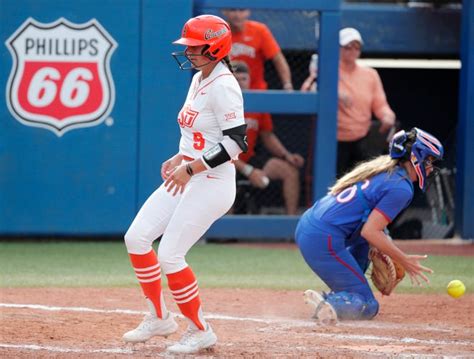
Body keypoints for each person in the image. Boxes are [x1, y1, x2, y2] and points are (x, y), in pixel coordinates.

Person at [122, 15, 247, 354]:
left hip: (213, 183)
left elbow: (236, 143)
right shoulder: (199, 78)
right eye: (188, 47)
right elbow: (199, 134)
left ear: (215, 46)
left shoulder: (223, 85)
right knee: (136, 238)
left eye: (194, 47)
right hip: (189, 174)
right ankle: (160, 318)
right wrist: (180, 157)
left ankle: (199, 329)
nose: (189, 52)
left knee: (171, 254)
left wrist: (191, 168)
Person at [295, 127, 443, 322]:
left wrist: (384, 242)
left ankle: (343, 293)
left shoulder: (385, 170)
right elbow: (370, 231)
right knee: (368, 305)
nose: (431, 167)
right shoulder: (401, 187)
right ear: (416, 157)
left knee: (366, 245)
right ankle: (329, 301)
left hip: (312, 225)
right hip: (323, 238)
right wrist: (404, 260)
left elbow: (370, 228)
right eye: (429, 160)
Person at [232, 61, 304, 215]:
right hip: (226, 162)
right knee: (222, 183)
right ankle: (221, 234)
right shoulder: (221, 103)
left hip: (249, 157)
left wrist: (287, 155)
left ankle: (290, 226)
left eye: (243, 79)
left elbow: (267, 135)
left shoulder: (258, 102)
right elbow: (219, 149)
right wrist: (249, 172)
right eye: (235, 79)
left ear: (250, 80)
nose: (239, 83)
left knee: (290, 171)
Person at [336, 27, 396, 177]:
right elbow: (309, 90)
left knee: (364, 178)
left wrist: (387, 116)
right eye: (347, 46)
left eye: (356, 46)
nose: (352, 50)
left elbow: (380, 105)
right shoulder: (327, 71)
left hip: (362, 138)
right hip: (333, 140)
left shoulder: (370, 74)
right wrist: (334, 94)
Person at [222, 8, 293, 91]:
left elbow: (278, 58)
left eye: (242, 10)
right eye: (232, 10)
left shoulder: (259, 30)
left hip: (256, 90)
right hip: (226, 90)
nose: (237, 15)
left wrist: (287, 84)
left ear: (248, 11)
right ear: (224, 11)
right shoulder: (219, 32)